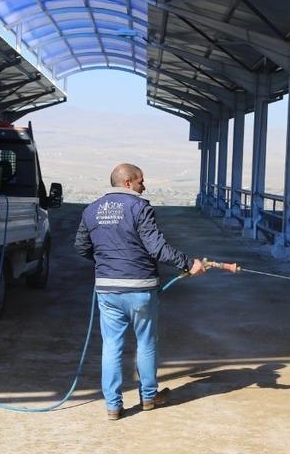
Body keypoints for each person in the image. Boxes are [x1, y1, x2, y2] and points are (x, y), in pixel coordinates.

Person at [74, 163, 207, 420]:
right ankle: (148, 397)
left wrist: (107, 262)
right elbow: (157, 247)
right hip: (140, 288)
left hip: (107, 288)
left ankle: (113, 406)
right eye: (140, 181)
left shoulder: (91, 210)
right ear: (127, 183)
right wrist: (189, 263)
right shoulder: (139, 207)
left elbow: (81, 246)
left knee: (111, 345)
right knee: (146, 342)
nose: (144, 186)